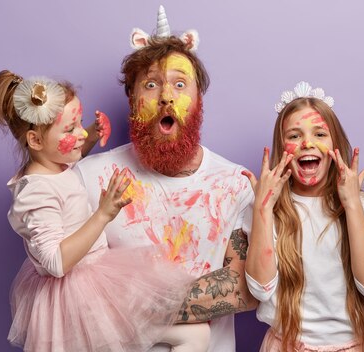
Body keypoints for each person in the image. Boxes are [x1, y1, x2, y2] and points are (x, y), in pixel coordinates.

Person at [74, 6, 257, 351]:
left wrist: (130, 304)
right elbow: (71, 289)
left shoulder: (236, 183)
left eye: (179, 84)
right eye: (152, 84)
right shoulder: (90, 177)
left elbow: (244, 288)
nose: (167, 97)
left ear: (198, 100)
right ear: (132, 99)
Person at [0, 70, 210, 351]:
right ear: (35, 141)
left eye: (79, 123)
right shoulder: (35, 192)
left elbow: (68, 159)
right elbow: (55, 263)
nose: (79, 133)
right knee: (193, 335)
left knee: (194, 334)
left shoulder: (52, 164)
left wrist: (91, 134)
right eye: (70, 129)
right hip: (75, 299)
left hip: (95, 279)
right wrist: (103, 214)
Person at [242, 81, 364, 352]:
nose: (307, 143)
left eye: (319, 134)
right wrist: (263, 209)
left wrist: (352, 204)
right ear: (282, 147)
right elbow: (260, 289)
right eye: (294, 136)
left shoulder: (360, 205)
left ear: (335, 146)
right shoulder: (268, 208)